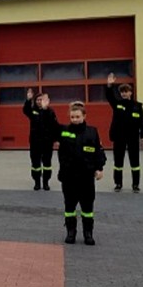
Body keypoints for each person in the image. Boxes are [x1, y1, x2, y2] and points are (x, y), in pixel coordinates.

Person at [49, 98, 106, 246]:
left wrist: (100, 168)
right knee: (69, 207)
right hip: (68, 177)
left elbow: (99, 152)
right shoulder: (64, 131)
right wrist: (45, 110)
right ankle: (71, 232)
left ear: (84, 116)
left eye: (77, 117)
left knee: (87, 208)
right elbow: (51, 126)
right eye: (72, 117)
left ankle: (88, 233)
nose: (74, 119)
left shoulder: (92, 132)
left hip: (86, 177)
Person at [106, 73, 143, 193]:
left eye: (126, 91)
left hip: (133, 137)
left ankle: (135, 184)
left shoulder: (137, 106)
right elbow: (109, 96)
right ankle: (118, 184)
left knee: (135, 161)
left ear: (130, 92)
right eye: (122, 92)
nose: (123, 93)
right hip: (119, 137)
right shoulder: (117, 104)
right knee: (118, 161)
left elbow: (142, 122)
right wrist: (109, 85)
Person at [23, 88, 58, 191]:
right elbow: (25, 110)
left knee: (47, 164)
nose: (39, 101)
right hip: (35, 142)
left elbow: (54, 126)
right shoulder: (32, 110)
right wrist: (28, 100)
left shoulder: (50, 112)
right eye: (37, 99)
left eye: (41, 99)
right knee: (35, 164)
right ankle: (37, 182)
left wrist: (56, 140)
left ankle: (46, 182)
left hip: (47, 142)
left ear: (45, 101)